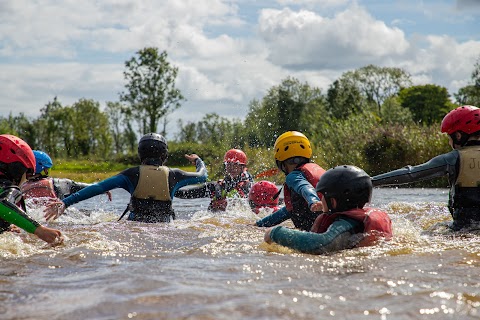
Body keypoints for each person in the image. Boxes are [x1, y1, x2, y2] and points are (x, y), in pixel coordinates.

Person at [44, 133, 208, 223]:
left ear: (140, 153)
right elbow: (202, 176)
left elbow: (97, 188)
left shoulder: (131, 174)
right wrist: (197, 160)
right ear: (164, 155)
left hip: (134, 226)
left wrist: (65, 202)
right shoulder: (175, 175)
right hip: (164, 227)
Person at [371, 105, 480, 231]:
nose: (450, 143)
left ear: (458, 136)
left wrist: (371, 181)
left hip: (463, 229)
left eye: (449, 138)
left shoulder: (453, 158)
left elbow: (411, 173)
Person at [264, 165, 393, 254]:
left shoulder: (344, 224)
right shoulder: (359, 217)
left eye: (323, 196)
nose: (321, 199)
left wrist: (276, 233)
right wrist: (325, 205)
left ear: (333, 201)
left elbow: (321, 244)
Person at [255, 131, 326, 231]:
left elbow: (304, 186)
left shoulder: (293, 176)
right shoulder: (318, 170)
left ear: (281, 163)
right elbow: (288, 211)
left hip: (316, 230)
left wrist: (313, 201)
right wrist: (259, 224)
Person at [0, 134, 62, 244]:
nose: (27, 179)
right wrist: (39, 230)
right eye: (28, 174)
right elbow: (2, 204)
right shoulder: (8, 187)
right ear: (18, 169)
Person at [175, 148, 254, 211]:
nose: (231, 168)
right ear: (225, 166)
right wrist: (169, 189)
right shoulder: (216, 186)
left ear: (242, 167)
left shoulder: (249, 187)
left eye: (236, 164)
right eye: (229, 164)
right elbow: (184, 194)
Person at [21, 150, 112, 205]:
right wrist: (102, 188)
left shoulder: (21, 186)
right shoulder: (55, 183)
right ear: (44, 169)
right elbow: (80, 186)